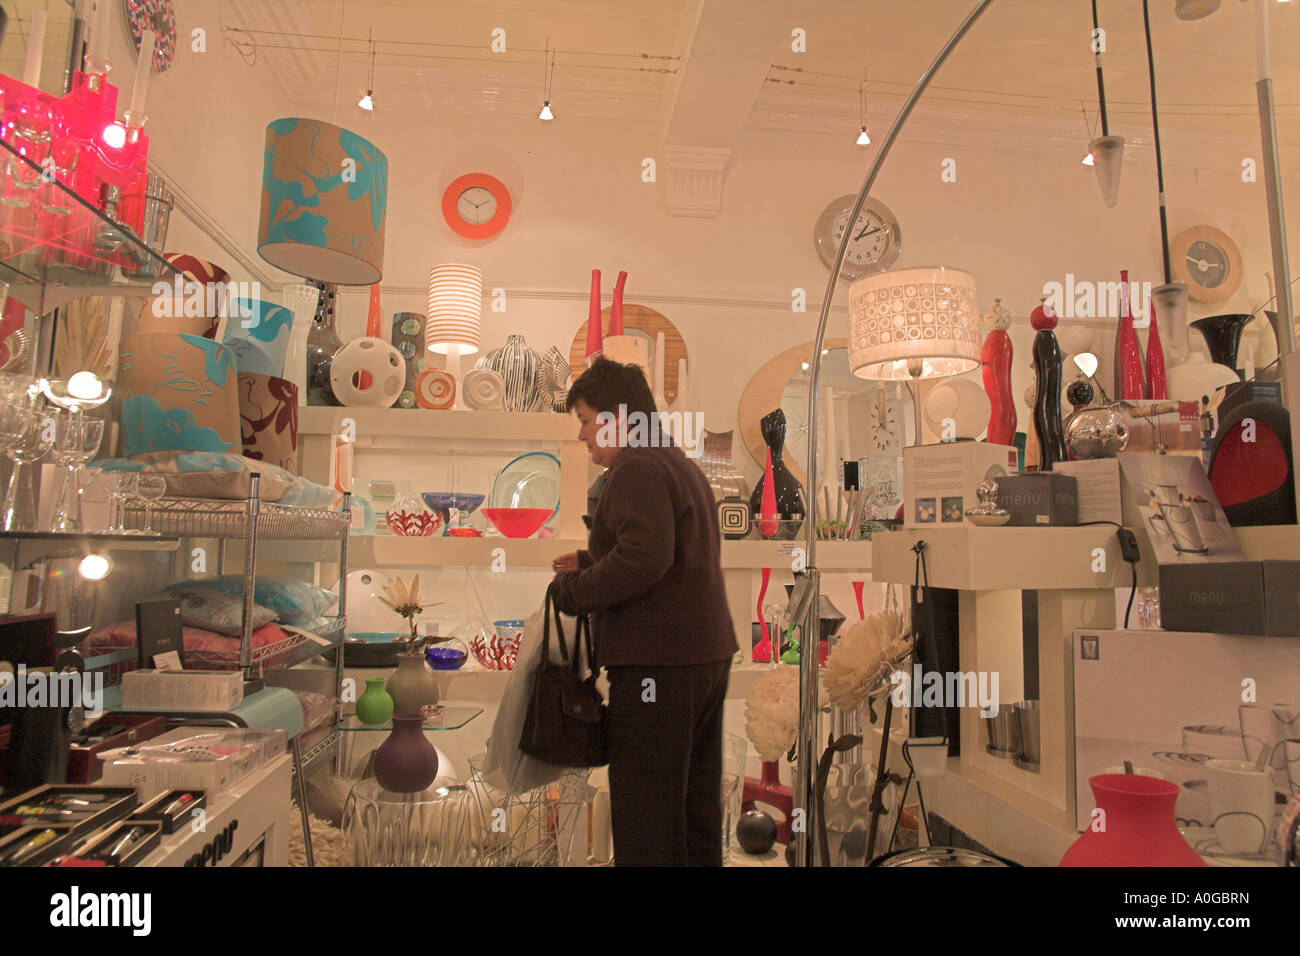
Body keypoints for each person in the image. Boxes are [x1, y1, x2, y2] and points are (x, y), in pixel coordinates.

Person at [550, 357, 737, 866]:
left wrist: (574, 590)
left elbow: (645, 557)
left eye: (587, 421)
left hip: (659, 665)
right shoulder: (677, 462)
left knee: (646, 816)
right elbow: (674, 553)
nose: (585, 436)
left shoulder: (635, 466)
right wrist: (592, 560)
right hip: (703, 658)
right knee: (694, 809)